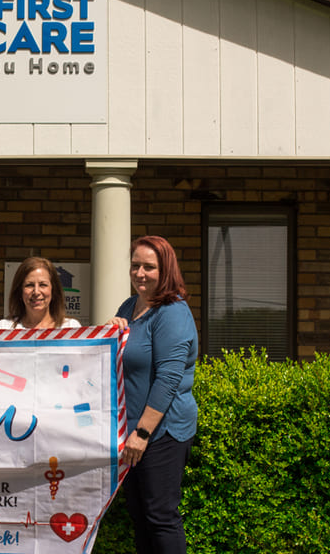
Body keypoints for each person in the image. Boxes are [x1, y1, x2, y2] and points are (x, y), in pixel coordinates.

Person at [107, 236, 198, 554]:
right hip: (130, 432)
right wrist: (111, 332)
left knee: (160, 517)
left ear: (166, 270)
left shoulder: (172, 312)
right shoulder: (129, 307)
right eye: (135, 265)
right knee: (140, 516)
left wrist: (142, 433)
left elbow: (168, 380)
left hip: (161, 432)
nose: (140, 273)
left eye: (149, 267)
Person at [0, 257, 80, 329]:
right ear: (20, 290)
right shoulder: (3, 328)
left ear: (53, 290)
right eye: (29, 285)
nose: (36, 292)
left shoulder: (71, 327)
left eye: (43, 285)